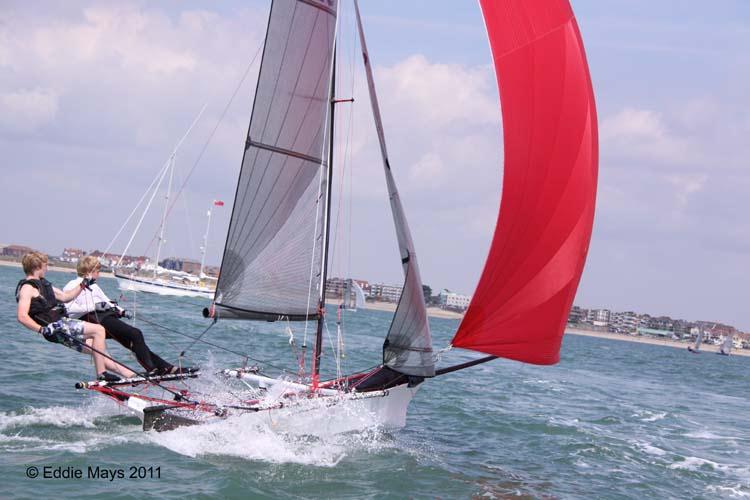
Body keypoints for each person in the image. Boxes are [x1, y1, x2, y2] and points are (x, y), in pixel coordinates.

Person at [64, 256, 194, 376]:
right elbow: (68, 310)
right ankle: (151, 370)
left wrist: (122, 311)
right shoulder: (73, 285)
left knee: (134, 343)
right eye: (98, 271)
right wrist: (94, 307)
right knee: (135, 333)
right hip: (96, 321)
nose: (99, 275)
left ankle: (166, 368)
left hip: (107, 318)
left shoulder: (95, 286)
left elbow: (107, 302)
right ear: (89, 271)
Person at [15, 252, 135, 382]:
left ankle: (129, 375)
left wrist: (83, 284)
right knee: (99, 330)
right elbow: (22, 316)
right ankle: (101, 374)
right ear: (37, 267)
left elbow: (66, 297)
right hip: (57, 326)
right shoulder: (27, 288)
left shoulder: (42, 284)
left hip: (58, 328)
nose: (47, 268)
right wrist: (41, 329)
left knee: (95, 348)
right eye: (45, 266)